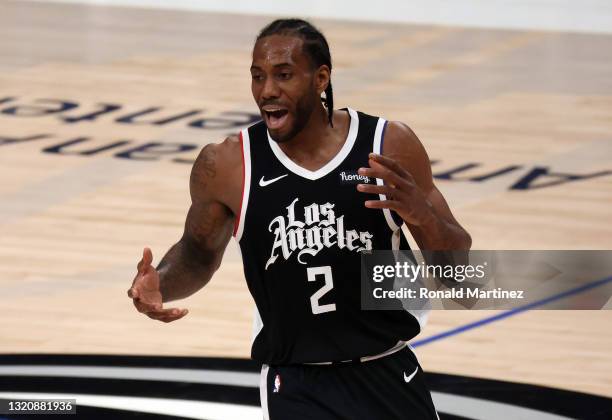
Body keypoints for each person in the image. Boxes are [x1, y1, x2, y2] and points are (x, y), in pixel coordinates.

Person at [128, 18, 471, 419]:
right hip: (294, 386)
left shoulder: (387, 145)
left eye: (284, 75)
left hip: (388, 373)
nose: (267, 90)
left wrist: (422, 214)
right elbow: (197, 255)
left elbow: (461, 278)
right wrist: (161, 284)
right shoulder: (227, 165)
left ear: (321, 78)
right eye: (258, 77)